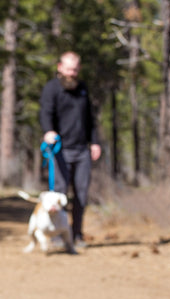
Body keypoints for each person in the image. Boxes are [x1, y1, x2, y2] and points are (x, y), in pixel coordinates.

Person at [39, 51, 101, 247]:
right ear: (60, 67)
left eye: (74, 69)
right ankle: (57, 235)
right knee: (59, 194)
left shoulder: (82, 89)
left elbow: (90, 119)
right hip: (60, 150)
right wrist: (48, 131)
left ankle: (77, 235)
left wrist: (95, 142)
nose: (71, 73)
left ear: (78, 69)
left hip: (82, 150)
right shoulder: (52, 88)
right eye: (68, 69)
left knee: (81, 194)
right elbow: (45, 113)